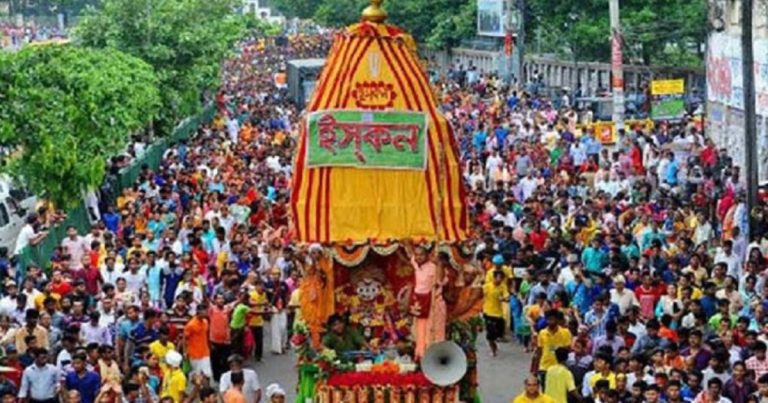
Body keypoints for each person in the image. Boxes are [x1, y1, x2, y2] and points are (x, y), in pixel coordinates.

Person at [483, 270, 508, 357]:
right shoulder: (487, 287)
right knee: (490, 335)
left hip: (498, 314)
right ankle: (493, 349)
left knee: (499, 333)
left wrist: (504, 299)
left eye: (501, 278)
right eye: (498, 278)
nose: (500, 280)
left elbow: (507, 297)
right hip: (488, 313)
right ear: (494, 277)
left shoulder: (502, 286)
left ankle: (497, 340)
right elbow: (479, 296)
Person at [183, 304, 212, 377]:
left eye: (206, 310)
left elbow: (206, 335)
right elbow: (184, 339)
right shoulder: (191, 325)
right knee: (198, 377)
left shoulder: (206, 322)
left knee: (207, 374)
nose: (206, 312)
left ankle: (206, 388)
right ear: (198, 311)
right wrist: (185, 352)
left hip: (205, 352)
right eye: (204, 311)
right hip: (194, 354)